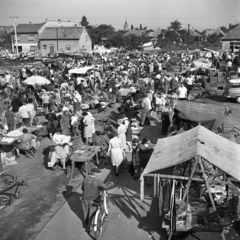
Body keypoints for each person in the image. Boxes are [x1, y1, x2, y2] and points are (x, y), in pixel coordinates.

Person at [81, 168, 114, 232]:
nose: (99, 174)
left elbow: (82, 188)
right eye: (98, 173)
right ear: (95, 174)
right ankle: (89, 229)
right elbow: (105, 187)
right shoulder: (98, 180)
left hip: (85, 198)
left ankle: (86, 223)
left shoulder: (85, 179)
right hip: (94, 199)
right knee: (91, 213)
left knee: (85, 211)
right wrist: (111, 184)